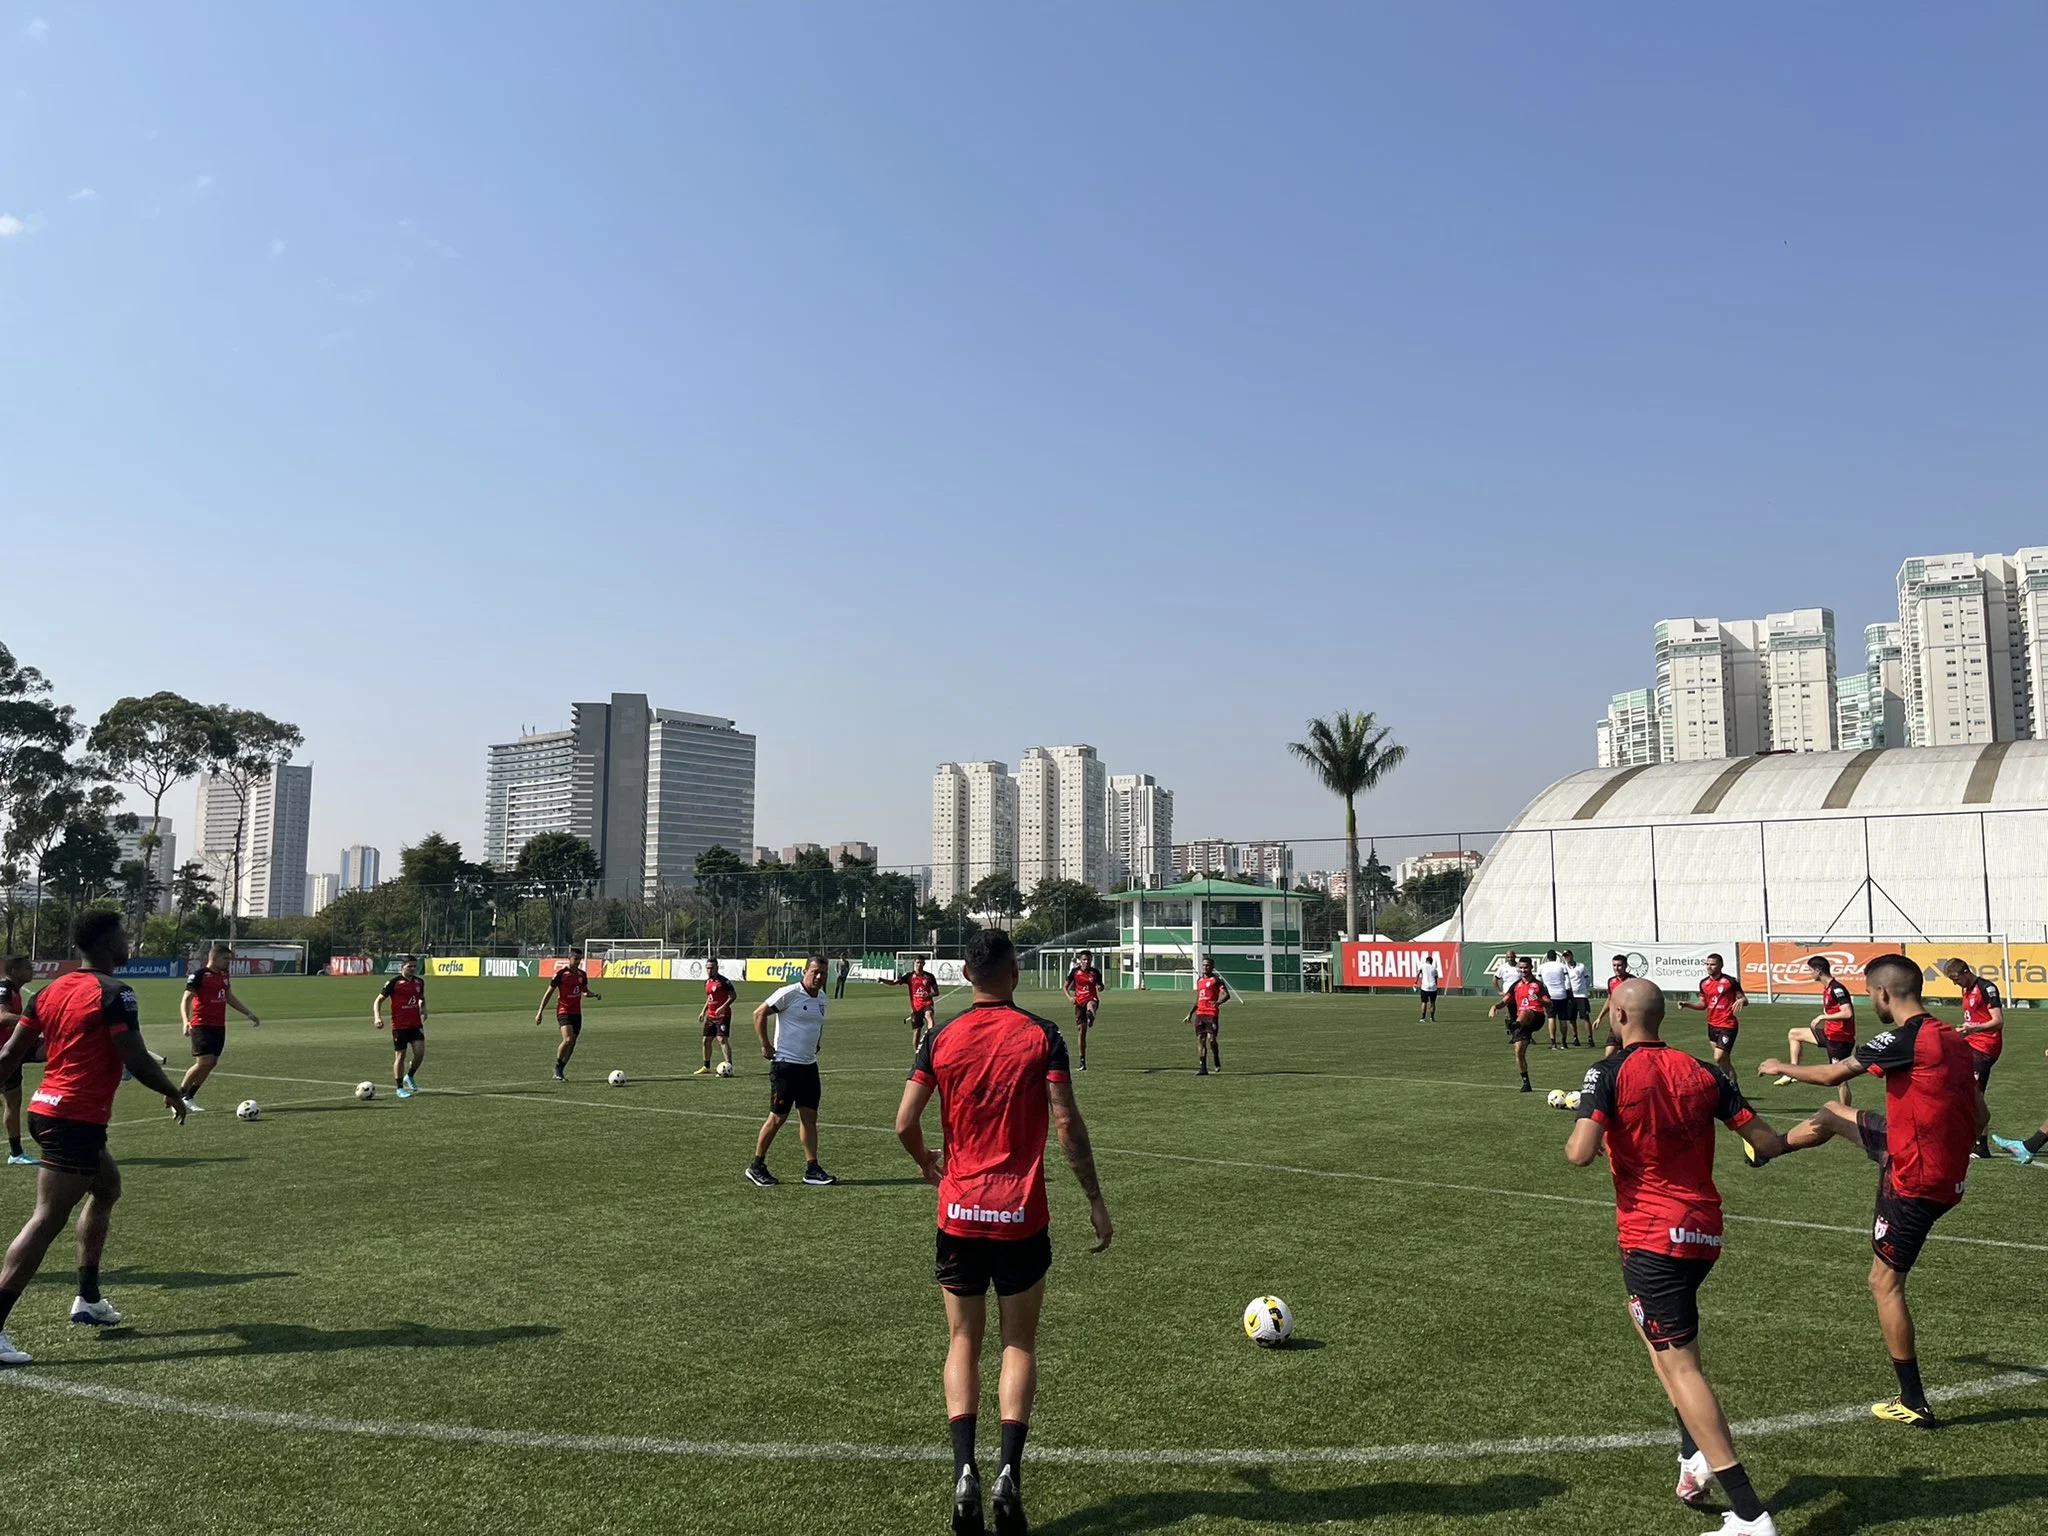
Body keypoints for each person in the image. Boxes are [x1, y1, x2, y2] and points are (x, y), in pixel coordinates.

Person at [895, 928, 1112, 1536]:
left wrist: (925, 1162)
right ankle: (1007, 1474)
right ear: (1014, 972)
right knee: (1018, 1344)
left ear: (966, 975)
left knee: (963, 1340)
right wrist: (1095, 1199)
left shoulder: (940, 1038)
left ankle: (964, 1470)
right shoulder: (1041, 1036)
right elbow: (1068, 1126)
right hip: (1021, 1215)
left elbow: (904, 1122)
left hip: (959, 1213)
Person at [1566, 977, 1786, 1535]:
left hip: (1652, 1235)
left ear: (1617, 1014)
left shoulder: (1608, 1072)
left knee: (1681, 1363)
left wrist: (1590, 1113)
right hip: (1703, 1231)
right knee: (1650, 1328)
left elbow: (1579, 1155)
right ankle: (1693, 1453)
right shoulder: (1706, 1071)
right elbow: (1765, 1142)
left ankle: (1749, 1513)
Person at [1754, 953, 1985, 1428]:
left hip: (1914, 1180)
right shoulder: (1950, 1037)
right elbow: (1982, 1116)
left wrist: (1780, 1064)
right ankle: (1768, 1149)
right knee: (1832, 1115)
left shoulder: (1903, 1038)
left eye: (1868, 993)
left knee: (1884, 1284)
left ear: (1883, 994)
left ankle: (1914, 1402)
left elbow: (1834, 1073)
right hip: (1930, 1161)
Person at [0, 911, 189, 1366]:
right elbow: (137, 1058)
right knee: (46, 1219)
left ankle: (87, 1299)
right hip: (74, 1119)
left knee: (107, 1187)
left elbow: (10, 1052)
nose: (129, 944)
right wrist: (173, 1093)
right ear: (108, 943)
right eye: (124, 936)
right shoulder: (115, 993)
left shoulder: (49, 991)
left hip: (46, 1110)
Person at [745, 956, 835, 1187]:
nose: (818, 976)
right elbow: (759, 1013)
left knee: (809, 1118)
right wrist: (765, 1044)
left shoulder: (822, 999)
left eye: (822, 973)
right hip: (786, 1066)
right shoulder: (789, 993)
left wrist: (816, 1042)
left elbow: (816, 1024)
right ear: (805, 971)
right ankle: (756, 1165)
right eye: (814, 972)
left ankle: (812, 1168)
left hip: (809, 1066)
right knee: (777, 1118)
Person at [177, 942, 262, 1113]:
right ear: (214, 958)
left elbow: (228, 997)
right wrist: (186, 1021)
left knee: (211, 1063)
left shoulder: (224, 975)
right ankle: (178, 1096)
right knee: (203, 1062)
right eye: (225, 959)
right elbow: (186, 999)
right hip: (201, 1024)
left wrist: (248, 1013)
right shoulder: (199, 975)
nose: (228, 962)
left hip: (218, 1025)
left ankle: (189, 1097)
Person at [1937, 957, 2004, 1160]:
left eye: (1956, 979)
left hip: (1985, 1047)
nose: (1955, 983)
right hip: (1971, 1043)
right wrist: (1964, 1031)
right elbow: (1974, 1018)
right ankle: (1969, 1139)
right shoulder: (1965, 989)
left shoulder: (1986, 988)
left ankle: (1978, 1144)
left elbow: (1998, 1021)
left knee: (1974, 1095)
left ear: (1966, 971)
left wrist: (1974, 1028)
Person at [1774, 956, 1858, 1105]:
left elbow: (1848, 1013)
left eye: (1810, 970)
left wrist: (1823, 1017)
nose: (1809, 973)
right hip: (1830, 1033)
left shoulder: (1837, 989)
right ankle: (1793, 1072)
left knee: (1839, 1080)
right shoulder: (1828, 988)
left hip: (1840, 1039)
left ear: (1818, 970)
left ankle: (1846, 1113)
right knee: (1794, 1034)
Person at [535, 948, 601, 1082]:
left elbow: (584, 991)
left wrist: (593, 994)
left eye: (580, 959)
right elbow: (548, 993)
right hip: (563, 1011)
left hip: (577, 1013)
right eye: (576, 959)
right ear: (569, 959)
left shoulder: (582, 974)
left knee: (573, 1043)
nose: (578, 961)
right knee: (568, 1040)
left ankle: (561, 1069)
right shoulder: (561, 974)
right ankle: (557, 1066)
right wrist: (540, 1012)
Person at [2, 956, 42, 1165]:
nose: (32, 971)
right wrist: (35, 1023)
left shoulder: (13, 989)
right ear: (15, 971)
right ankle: (16, 1154)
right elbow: (2, 1016)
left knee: (54, 1045)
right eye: (28, 968)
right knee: (12, 1101)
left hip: (15, 1048)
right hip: (4, 1052)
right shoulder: (4, 988)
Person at [1490, 956, 1548, 1093]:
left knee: (1527, 1011)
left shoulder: (1539, 985)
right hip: (1522, 1021)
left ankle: (1514, 1025)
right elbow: (1505, 1001)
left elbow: (1549, 1003)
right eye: (1521, 968)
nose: (1523, 970)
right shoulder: (1516, 985)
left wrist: (1539, 1000)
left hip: (1536, 1017)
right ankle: (1526, 1083)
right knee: (1518, 1052)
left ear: (1531, 967)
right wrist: (1495, 1006)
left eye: (1526, 967)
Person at [1679, 953, 1745, 1071]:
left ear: (1720, 965)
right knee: (1723, 1062)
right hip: (1712, 1025)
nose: (1709, 967)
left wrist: (1742, 1000)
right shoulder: (1704, 983)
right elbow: (1703, 1004)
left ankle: (1729, 1084)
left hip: (1728, 1025)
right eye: (1707, 964)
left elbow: (1743, 999)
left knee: (1718, 1057)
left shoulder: (1730, 981)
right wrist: (1687, 1004)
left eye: (1713, 964)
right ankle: (1731, 1085)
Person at [373, 955, 428, 1098]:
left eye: (415, 966)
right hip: (399, 1026)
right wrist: (377, 1017)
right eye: (410, 966)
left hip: (415, 1024)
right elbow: (378, 1001)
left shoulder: (419, 982)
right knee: (400, 1056)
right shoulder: (394, 983)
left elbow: (421, 998)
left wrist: (423, 1008)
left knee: (420, 1053)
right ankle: (399, 1088)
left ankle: (409, 1076)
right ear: (402, 967)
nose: (413, 969)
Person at [884, 957, 942, 1055]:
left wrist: (928, 994)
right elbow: (894, 982)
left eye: (921, 963)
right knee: (916, 1034)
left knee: (929, 1015)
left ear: (924, 964)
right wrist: (882, 980)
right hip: (916, 1008)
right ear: (914, 963)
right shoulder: (909, 976)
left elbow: (937, 992)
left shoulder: (929, 976)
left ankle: (930, 1037)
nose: (919, 965)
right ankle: (917, 1054)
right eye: (917, 963)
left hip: (927, 1003)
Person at [1184, 957, 1232, 1075]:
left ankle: (1216, 1056)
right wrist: (1190, 1013)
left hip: (1211, 1013)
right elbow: (1198, 998)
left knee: (1211, 1039)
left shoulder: (1217, 980)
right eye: (1204, 965)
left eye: (1208, 965)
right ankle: (1203, 1068)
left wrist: (1218, 1002)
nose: (1205, 967)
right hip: (1200, 1013)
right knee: (1201, 1039)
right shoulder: (1199, 980)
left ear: (1212, 967)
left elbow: (1226, 995)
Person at [1063, 951, 1104, 1069]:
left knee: (1091, 1004)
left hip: (1091, 998)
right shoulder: (1075, 972)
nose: (1086, 962)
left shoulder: (1095, 972)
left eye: (1089, 960)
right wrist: (1070, 998)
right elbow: (1065, 987)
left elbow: (1100, 986)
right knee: (1081, 1032)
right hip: (1079, 1003)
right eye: (1084, 959)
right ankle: (1082, 1061)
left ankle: (1090, 1015)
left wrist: (1101, 987)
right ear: (1080, 961)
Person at [696, 958, 737, 1076]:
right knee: (706, 1040)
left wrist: (723, 1007)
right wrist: (703, 1011)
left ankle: (729, 1066)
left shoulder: (724, 982)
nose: (709, 970)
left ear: (717, 968)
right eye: (707, 968)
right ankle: (706, 1066)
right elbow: (709, 998)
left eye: (712, 968)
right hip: (711, 1016)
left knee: (722, 1039)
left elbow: (733, 996)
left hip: (723, 1015)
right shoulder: (707, 982)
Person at [1592, 955, 1634, 1056]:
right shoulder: (1611, 981)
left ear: (1625, 966)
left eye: (1619, 965)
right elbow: (1610, 1000)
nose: (1616, 968)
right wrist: (1599, 1017)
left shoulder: (1632, 981)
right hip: (1616, 1023)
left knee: (1630, 1054)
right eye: (1614, 965)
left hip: (1630, 1023)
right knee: (1609, 1053)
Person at [1538, 949, 1572, 1050]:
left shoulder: (1542, 967)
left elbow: (1539, 982)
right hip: (1561, 994)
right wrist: (1568, 993)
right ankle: (1564, 1042)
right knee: (1563, 1019)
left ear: (1547, 957)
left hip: (1549, 996)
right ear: (1556, 957)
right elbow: (1568, 981)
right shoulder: (1562, 966)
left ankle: (1553, 1043)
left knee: (1551, 1018)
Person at [1565, 949, 1592, 1047]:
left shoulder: (1581, 966)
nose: (1566, 958)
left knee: (1585, 1017)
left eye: (1568, 955)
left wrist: (1584, 988)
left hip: (1581, 995)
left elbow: (1587, 978)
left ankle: (1590, 1038)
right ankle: (1575, 1037)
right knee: (1571, 1018)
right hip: (1570, 996)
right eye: (1565, 956)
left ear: (1572, 956)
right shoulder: (1564, 968)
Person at [1415, 950, 1442, 1023]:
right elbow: (1436, 979)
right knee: (1432, 1003)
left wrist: (1415, 982)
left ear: (1426, 961)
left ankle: (1423, 1018)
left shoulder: (1422, 966)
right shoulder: (1434, 969)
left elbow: (1418, 974)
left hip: (1425, 987)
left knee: (1424, 1002)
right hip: (1433, 987)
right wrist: (1436, 987)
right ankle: (1432, 1018)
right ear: (1431, 962)